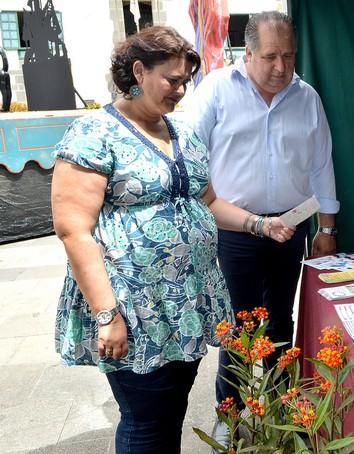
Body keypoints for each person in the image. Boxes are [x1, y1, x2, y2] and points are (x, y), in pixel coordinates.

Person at [51, 25, 293, 454]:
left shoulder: (180, 132)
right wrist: (107, 315)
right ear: (139, 71)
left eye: (186, 82)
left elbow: (209, 201)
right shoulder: (96, 133)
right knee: (145, 420)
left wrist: (260, 224)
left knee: (171, 410)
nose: (180, 91)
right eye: (172, 80)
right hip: (134, 308)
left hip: (184, 306)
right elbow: (74, 230)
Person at [186, 10, 340, 412]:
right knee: (241, 327)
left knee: (280, 320)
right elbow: (189, 156)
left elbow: (322, 163)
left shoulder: (307, 97)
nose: (281, 67)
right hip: (236, 228)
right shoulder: (216, 91)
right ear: (248, 53)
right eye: (271, 56)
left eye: (289, 57)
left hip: (291, 226)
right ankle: (232, 412)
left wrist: (327, 226)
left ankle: (280, 404)